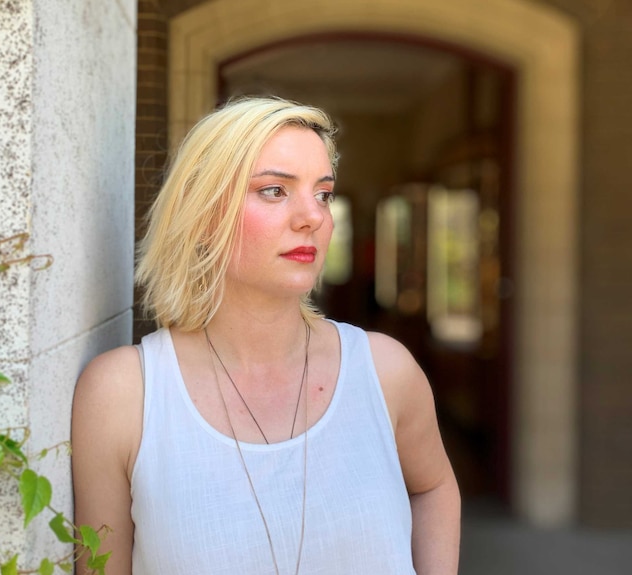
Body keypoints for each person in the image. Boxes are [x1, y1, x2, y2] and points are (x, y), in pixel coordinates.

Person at [71, 96, 460, 575]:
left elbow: (433, 486)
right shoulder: (122, 394)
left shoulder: (386, 371)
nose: (313, 217)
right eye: (275, 190)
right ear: (203, 215)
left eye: (323, 193)